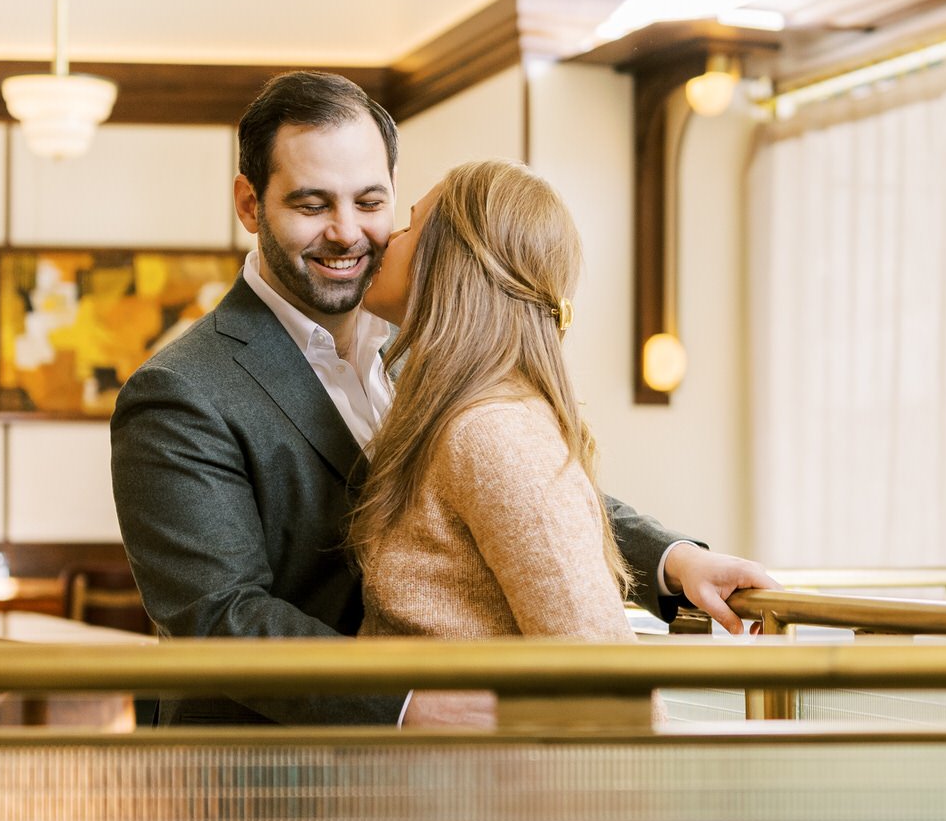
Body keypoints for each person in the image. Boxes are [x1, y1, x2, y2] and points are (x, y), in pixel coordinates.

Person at [110, 71, 774, 726]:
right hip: (266, 782)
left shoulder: (428, 351)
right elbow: (219, 616)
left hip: (429, 793)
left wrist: (671, 558)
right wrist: (404, 705)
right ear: (250, 204)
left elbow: (513, 491)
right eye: (312, 205)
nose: (347, 233)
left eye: (370, 203)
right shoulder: (178, 392)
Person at [354, 161, 636, 682]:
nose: (386, 239)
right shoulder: (465, 418)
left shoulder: (492, 432)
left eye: (410, 227)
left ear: (450, 261)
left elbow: (603, 674)